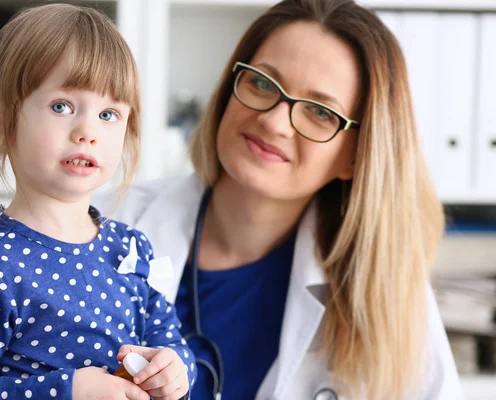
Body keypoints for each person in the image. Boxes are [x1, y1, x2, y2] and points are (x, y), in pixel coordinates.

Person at [94, 0, 463, 398]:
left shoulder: (387, 288)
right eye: (263, 83)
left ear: (357, 155)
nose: (273, 121)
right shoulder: (97, 224)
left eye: (320, 112)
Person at [0, 4, 195, 400]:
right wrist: (66, 391)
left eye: (108, 113)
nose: (87, 131)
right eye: (61, 106)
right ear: (2, 123)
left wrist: (175, 370)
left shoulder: (131, 248)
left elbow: (169, 339)